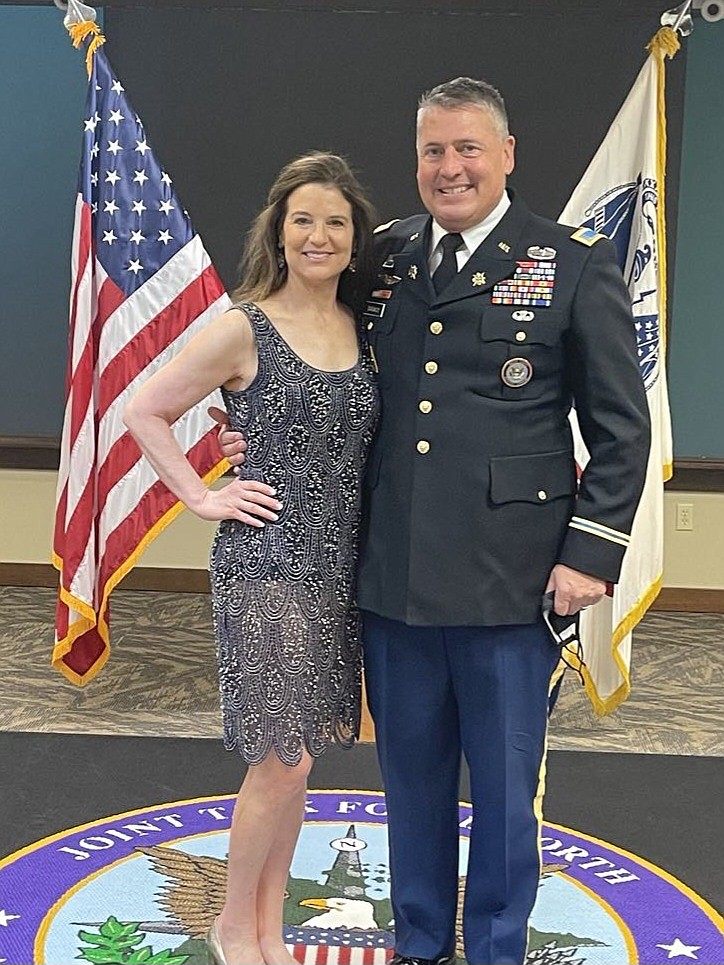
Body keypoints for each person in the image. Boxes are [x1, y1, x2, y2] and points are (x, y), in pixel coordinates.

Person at [219, 78, 651, 965]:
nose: (449, 168)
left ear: (507, 156)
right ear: (415, 160)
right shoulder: (384, 256)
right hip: (394, 572)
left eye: (467, 149)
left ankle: (493, 946)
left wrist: (590, 555)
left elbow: (620, 427)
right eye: (432, 151)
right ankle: (418, 937)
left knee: (500, 790)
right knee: (409, 781)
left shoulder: (570, 261)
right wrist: (247, 425)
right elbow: (311, 351)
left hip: (514, 575)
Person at [124, 152, 379, 965]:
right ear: (279, 228)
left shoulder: (361, 324)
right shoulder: (245, 324)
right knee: (283, 754)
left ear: (352, 237)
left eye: (335, 221)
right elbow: (145, 407)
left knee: (299, 759)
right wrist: (202, 496)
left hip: (339, 567)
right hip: (266, 561)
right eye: (303, 218)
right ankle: (235, 922)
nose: (319, 234)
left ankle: (270, 923)